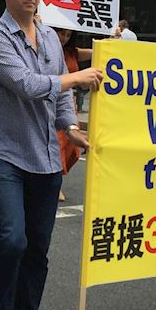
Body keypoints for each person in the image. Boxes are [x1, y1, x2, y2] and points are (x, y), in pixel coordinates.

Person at [0, 0, 103, 310]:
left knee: (37, 248)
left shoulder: (47, 36)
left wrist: (70, 126)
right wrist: (77, 78)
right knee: (11, 239)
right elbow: (28, 85)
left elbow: (59, 95)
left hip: (45, 156)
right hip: (2, 153)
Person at [54, 27, 93, 200]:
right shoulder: (42, 48)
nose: (64, 38)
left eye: (68, 35)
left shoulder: (71, 52)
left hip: (68, 103)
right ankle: (54, 184)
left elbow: (96, 51)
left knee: (70, 146)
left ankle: (55, 180)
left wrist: (113, 39)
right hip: (49, 102)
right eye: (61, 33)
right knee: (57, 144)